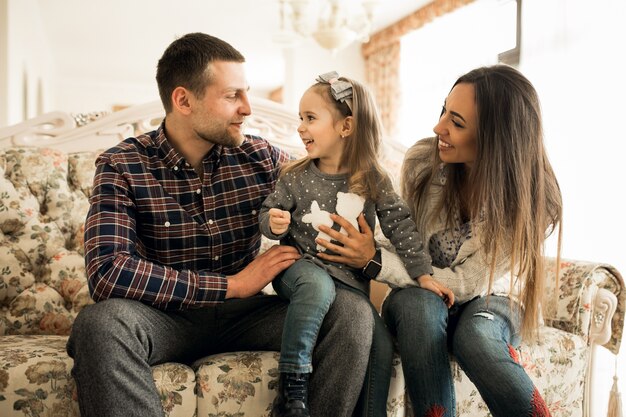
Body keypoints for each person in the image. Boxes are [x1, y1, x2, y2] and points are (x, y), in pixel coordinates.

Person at [66, 33, 375, 417]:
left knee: (350, 313)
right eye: (232, 96)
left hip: (246, 317)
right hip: (164, 317)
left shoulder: (261, 157)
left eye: (246, 93)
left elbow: (336, 178)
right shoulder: (122, 165)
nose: (248, 108)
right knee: (99, 325)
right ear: (183, 100)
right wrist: (232, 285)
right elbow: (108, 272)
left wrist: (367, 255)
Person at [314, 65, 562, 416]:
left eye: (457, 123)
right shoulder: (421, 163)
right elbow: (400, 240)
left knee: (476, 338)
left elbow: (465, 283)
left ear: (497, 138)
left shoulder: (530, 199)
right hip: (417, 297)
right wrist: (369, 249)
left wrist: (375, 261)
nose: (438, 127)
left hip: (491, 299)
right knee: (420, 306)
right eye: (444, 110)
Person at [259, 72, 451, 417]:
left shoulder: (372, 178)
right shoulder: (294, 175)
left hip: (348, 285)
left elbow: (401, 228)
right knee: (316, 287)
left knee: (378, 343)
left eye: (310, 119)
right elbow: (268, 213)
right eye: (300, 119)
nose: (300, 128)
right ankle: (293, 386)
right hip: (299, 267)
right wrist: (273, 223)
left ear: (346, 127)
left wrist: (423, 275)